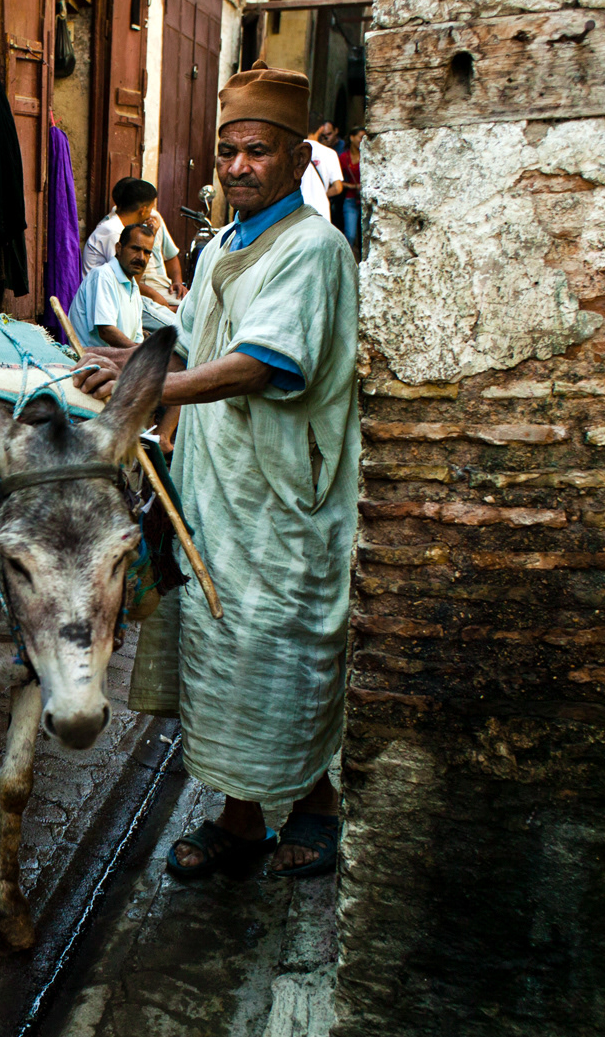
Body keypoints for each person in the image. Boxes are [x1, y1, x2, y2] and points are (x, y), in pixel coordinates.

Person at [70, 60, 359, 880]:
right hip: (217, 486)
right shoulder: (227, 242)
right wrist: (125, 354)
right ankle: (239, 820)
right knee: (222, 653)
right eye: (228, 150)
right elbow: (198, 346)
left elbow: (261, 364)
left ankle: (317, 805)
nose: (237, 166)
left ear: (299, 157)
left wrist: (149, 382)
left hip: (279, 496)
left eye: (257, 151)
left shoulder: (313, 248)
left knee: (281, 652)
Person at [66, 222, 180, 350]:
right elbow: (106, 331)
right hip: (90, 359)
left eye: (147, 252)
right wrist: (139, 353)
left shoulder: (133, 287)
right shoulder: (103, 276)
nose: (141, 257)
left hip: (115, 358)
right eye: (135, 249)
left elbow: (136, 337)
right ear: (119, 248)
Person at [83, 178, 188, 305]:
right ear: (143, 210)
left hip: (138, 290)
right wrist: (156, 297)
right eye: (150, 208)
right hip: (110, 298)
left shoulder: (151, 220)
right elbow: (127, 281)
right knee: (185, 314)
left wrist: (176, 282)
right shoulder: (113, 232)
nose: (151, 213)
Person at [300, 120, 344, 223]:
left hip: (296, 209)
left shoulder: (292, 151)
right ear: (320, 129)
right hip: (320, 210)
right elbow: (338, 188)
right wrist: (320, 194)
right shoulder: (330, 153)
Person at [339, 126, 365, 254]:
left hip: (366, 199)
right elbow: (338, 182)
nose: (362, 140)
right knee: (350, 235)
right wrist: (354, 186)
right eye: (360, 137)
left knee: (366, 236)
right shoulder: (344, 158)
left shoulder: (368, 155)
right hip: (351, 199)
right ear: (352, 137)